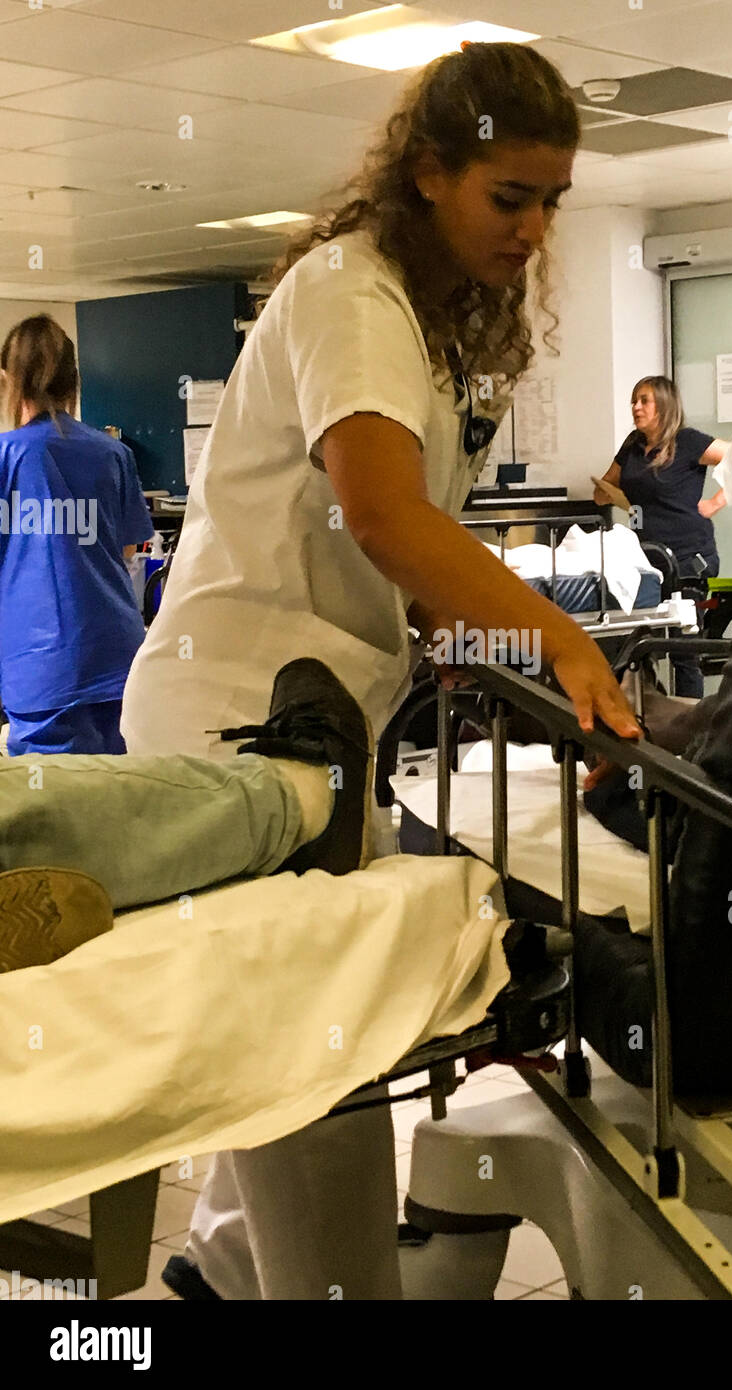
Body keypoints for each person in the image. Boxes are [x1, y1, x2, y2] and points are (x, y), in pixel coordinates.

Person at [118, 41, 641, 1300]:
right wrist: (561, 637)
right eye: (508, 197)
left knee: (292, 1040)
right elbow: (386, 516)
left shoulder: (431, 325)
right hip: (234, 725)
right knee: (316, 1055)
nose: (533, 229)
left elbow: (408, 562)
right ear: (428, 174)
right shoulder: (352, 292)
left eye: (551, 201)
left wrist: (470, 645)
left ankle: (220, 1273)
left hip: (315, 730)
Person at [0, 316, 154, 755]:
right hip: (117, 655)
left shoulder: (6, 456)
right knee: (116, 783)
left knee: (52, 790)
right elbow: (128, 547)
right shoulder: (114, 454)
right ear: (74, 380)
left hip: (40, 667)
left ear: (9, 380)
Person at [593, 376, 729, 696]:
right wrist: (606, 493)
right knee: (637, 646)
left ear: (664, 406)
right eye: (634, 401)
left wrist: (715, 502)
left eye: (644, 401)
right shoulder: (633, 445)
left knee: (684, 651)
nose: (636, 407)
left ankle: (689, 723)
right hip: (646, 559)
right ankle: (653, 710)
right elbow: (604, 489)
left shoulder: (688, 441)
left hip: (689, 559)